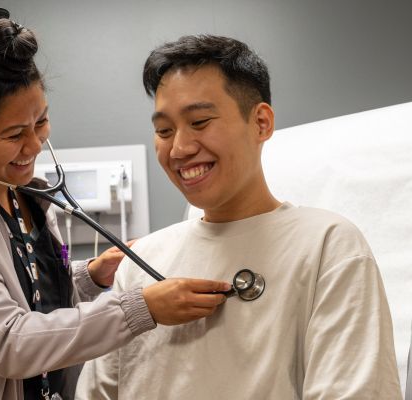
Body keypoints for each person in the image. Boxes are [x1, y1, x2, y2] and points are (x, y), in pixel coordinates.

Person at [0, 10, 232, 400]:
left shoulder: (17, 191)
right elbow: (9, 342)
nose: (33, 146)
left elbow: (24, 290)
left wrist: (89, 277)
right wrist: (139, 309)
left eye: (41, 123)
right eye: (14, 134)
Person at [76, 34, 402, 399]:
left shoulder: (327, 246)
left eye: (199, 122)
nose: (180, 148)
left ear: (261, 122)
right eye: (164, 131)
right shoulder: (141, 264)